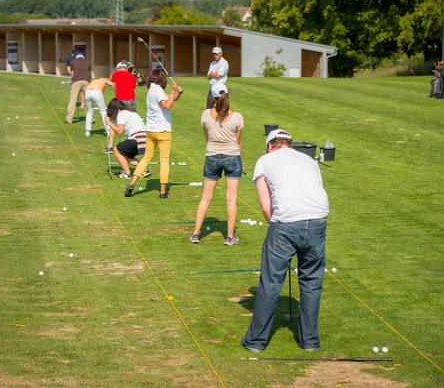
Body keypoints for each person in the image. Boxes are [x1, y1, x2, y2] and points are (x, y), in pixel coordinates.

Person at [241, 129, 329, 353]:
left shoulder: (265, 160)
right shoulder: (309, 160)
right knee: (311, 283)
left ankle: (256, 342)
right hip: (318, 220)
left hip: (286, 223)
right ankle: (309, 341)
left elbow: (266, 207)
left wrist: (277, 229)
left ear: (270, 146)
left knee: (271, 282)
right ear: (289, 144)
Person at [190, 83, 243, 246]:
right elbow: (237, 141)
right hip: (232, 157)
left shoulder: (205, 115)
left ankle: (195, 234)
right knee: (231, 199)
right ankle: (229, 237)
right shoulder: (237, 117)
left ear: (212, 98)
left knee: (205, 198)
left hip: (212, 156)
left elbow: (207, 137)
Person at [124, 69, 182, 199]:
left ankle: (132, 184)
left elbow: (171, 98)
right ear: (161, 79)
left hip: (151, 131)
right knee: (164, 161)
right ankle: (162, 192)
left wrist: (178, 92)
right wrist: (173, 92)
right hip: (163, 131)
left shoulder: (152, 89)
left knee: (146, 158)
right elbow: (167, 105)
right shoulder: (157, 90)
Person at [103, 98, 150, 179]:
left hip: (137, 138)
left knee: (116, 150)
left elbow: (119, 131)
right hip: (146, 139)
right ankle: (144, 170)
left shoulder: (121, 114)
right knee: (125, 155)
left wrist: (108, 122)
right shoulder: (131, 112)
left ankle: (127, 173)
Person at [65, 52, 90, 124]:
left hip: (76, 81)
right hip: (86, 81)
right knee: (88, 100)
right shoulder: (87, 62)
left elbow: (72, 74)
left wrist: (72, 81)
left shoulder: (73, 61)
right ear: (83, 56)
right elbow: (88, 72)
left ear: (77, 56)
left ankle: (69, 119)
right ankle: (91, 118)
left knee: (73, 100)